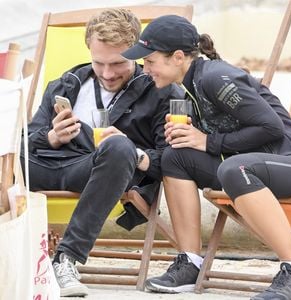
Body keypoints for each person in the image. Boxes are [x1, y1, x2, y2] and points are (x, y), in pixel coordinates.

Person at [122, 14, 291, 299]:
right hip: (255, 164)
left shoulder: (216, 78)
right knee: (174, 157)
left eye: (150, 60)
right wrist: (193, 134)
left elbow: (271, 127)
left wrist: (208, 140)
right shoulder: (188, 86)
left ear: (178, 57)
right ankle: (190, 263)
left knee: (235, 168)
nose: (145, 68)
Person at [22, 9, 182, 297]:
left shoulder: (161, 91)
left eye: (118, 63)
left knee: (119, 147)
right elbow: (28, 141)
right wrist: (52, 137)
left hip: (100, 172)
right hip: (46, 165)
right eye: (99, 63)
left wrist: (133, 152)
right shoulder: (66, 83)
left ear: (135, 53)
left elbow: (173, 161)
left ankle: (66, 259)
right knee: (7, 147)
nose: (107, 74)